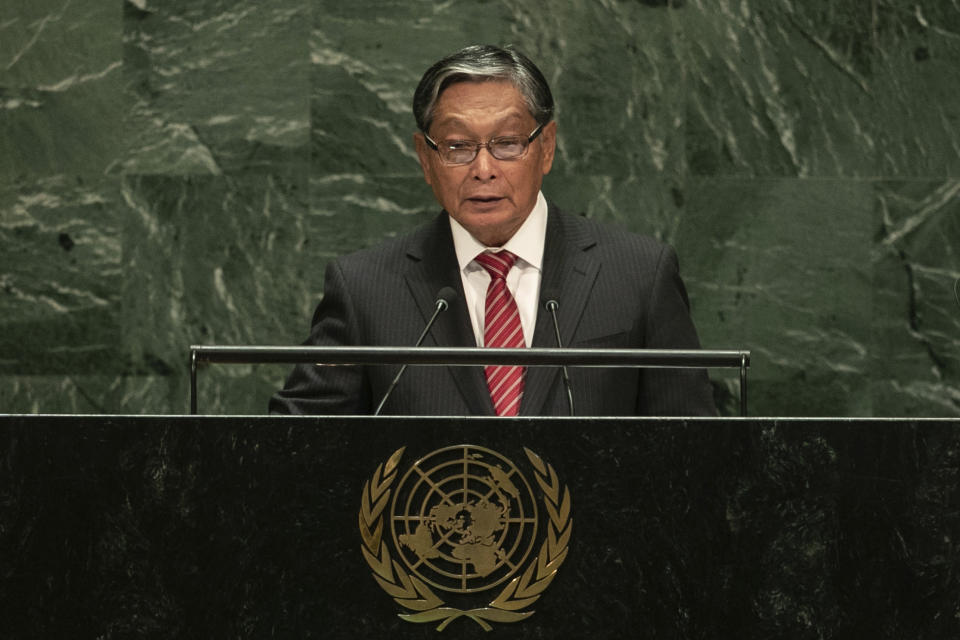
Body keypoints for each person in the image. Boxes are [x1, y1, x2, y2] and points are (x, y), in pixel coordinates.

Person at [269, 44, 716, 417]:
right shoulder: (364, 289)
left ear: (546, 148)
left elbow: (692, 448)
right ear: (425, 159)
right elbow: (294, 448)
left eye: (507, 143)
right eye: (457, 146)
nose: (483, 169)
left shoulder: (638, 275)